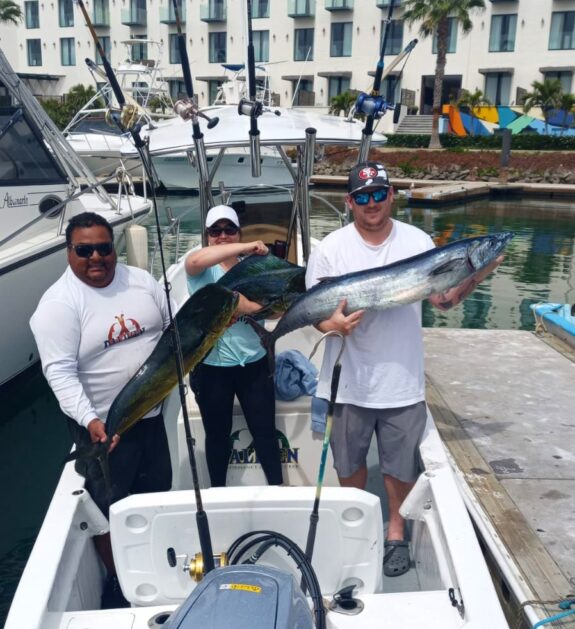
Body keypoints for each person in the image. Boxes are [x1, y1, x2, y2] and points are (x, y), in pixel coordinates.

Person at [306, 161, 502, 578]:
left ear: (392, 195)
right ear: (349, 202)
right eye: (363, 197)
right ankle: (355, 530)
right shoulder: (330, 249)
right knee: (348, 465)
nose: (372, 203)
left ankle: (395, 532)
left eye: (379, 194)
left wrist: (479, 271)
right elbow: (315, 312)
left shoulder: (418, 241)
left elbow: (444, 300)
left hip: (402, 380)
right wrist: (332, 325)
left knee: (399, 467)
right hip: (348, 381)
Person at [30, 212, 173, 607]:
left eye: (104, 248)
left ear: (115, 248)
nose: (96, 257)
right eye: (84, 250)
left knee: (155, 490)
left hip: (151, 415)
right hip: (103, 428)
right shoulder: (59, 305)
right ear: (68, 252)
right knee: (107, 506)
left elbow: (170, 329)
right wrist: (92, 421)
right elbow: (58, 373)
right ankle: (122, 582)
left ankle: (154, 560)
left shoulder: (142, 282)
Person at [185, 205, 283, 488]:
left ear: (238, 231)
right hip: (212, 367)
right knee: (217, 435)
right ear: (207, 236)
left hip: (254, 363)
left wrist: (253, 307)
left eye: (229, 230)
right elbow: (194, 260)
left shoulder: (254, 267)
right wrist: (255, 306)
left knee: (265, 432)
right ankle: (217, 491)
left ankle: (276, 489)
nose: (223, 236)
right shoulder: (202, 270)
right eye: (216, 231)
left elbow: (277, 309)